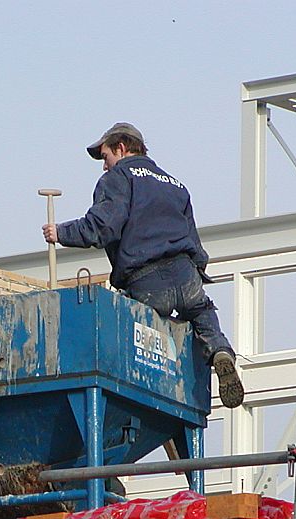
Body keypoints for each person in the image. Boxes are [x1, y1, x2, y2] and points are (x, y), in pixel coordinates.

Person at [42, 122, 244, 409]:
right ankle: (220, 351)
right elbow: (196, 245)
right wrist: (195, 274)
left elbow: (103, 227)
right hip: (186, 274)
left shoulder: (118, 177)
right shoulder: (175, 185)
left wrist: (61, 233)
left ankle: (134, 386)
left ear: (121, 148)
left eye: (105, 157)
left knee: (133, 336)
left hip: (145, 280)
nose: (104, 166)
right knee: (202, 311)